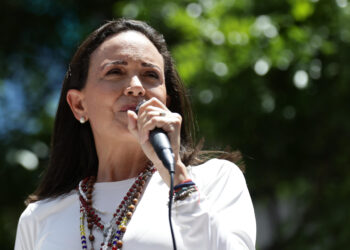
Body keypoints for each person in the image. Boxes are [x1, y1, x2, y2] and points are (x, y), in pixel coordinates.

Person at [14, 18, 256, 250]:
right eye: (115, 72)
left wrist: (177, 176)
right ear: (78, 104)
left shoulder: (214, 181)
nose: (136, 87)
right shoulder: (39, 217)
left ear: (166, 103)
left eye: (151, 75)